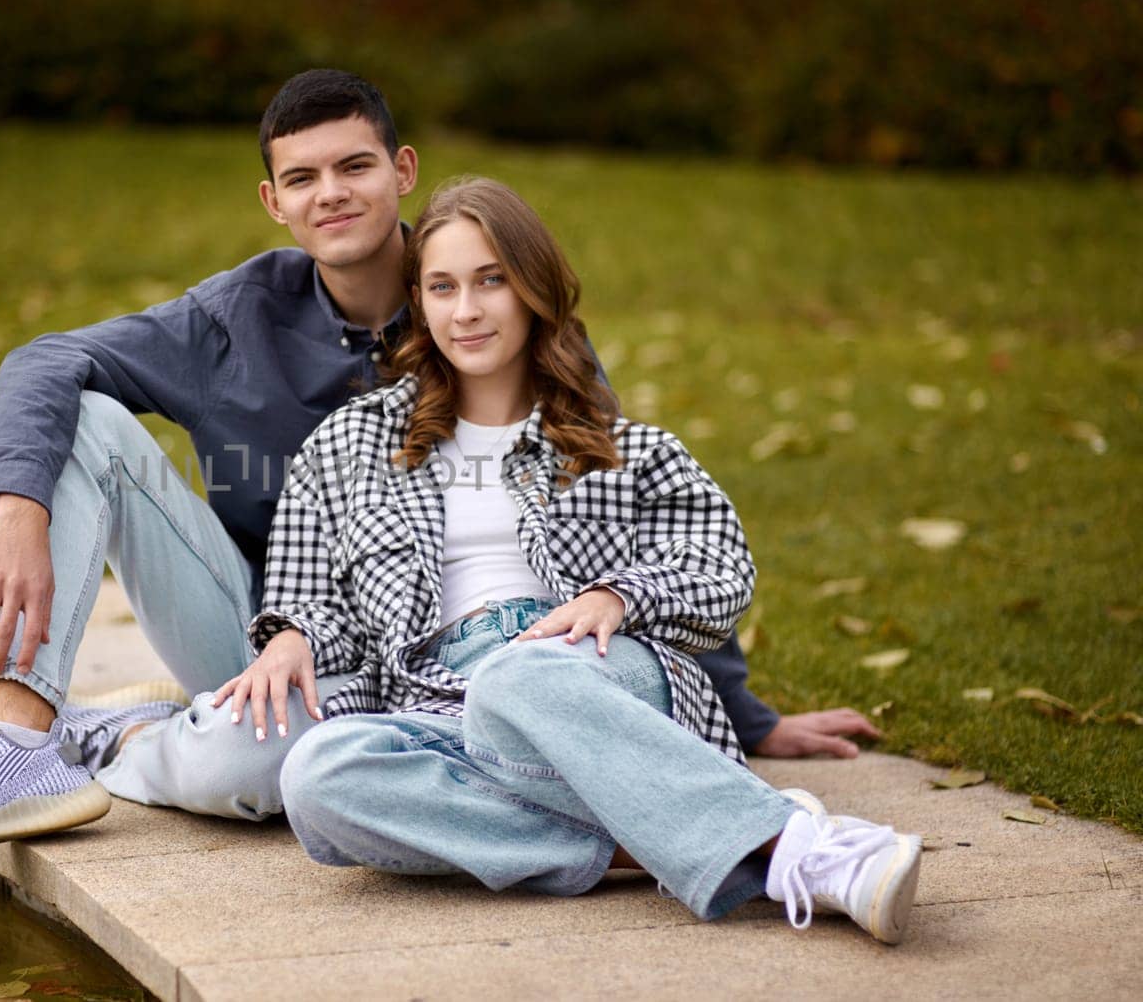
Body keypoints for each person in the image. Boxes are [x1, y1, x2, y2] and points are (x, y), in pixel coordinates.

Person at [0, 70, 878, 864]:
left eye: (354, 165)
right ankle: (12, 743)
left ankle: (127, 740)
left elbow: (621, 522)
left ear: (404, 169)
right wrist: (19, 506)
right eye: (302, 177)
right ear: (273, 200)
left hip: (447, 670)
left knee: (278, 779)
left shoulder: (491, 316)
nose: (330, 193)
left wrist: (743, 716)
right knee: (80, 424)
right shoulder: (227, 319)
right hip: (263, 636)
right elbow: (46, 361)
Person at [229, 177, 921, 941]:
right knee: (318, 774)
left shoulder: (623, 449)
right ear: (417, 304)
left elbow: (721, 563)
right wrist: (292, 631)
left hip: (592, 673)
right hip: (438, 706)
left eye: (492, 280)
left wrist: (619, 596)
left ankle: (809, 856)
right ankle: (717, 838)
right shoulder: (350, 444)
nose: (467, 310)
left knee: (513, 675)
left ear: (534, 290)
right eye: (442, 286)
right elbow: (306, 591)